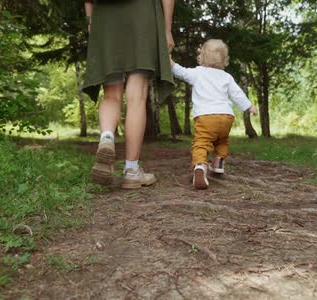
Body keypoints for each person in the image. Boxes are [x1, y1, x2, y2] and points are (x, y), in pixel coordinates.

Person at [83, 0, 175, 189]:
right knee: (137, 96)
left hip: (105, 16)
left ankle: (107, 137)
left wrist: (91, 20)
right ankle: (131, 171)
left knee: (111, 92)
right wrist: (166, 29)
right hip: (142, 14)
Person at [171, 39, 258, 190]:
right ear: (224, 60)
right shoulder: (226, 77)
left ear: (201, 57)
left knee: (201, 143)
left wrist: (169, 60)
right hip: (226, 117)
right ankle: (218, 164)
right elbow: (237, 94)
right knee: (222, 140)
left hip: (206, 117)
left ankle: (200, 166)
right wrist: (249, 106)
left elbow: (180, 71)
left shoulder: (197, 73)